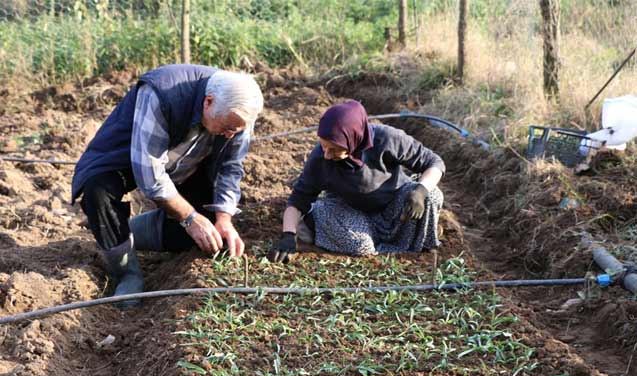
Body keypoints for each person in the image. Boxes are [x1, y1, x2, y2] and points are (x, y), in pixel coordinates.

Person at [72, 64, 263, 307]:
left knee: (207, 234)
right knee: (97, 192)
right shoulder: (163, 93)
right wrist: (190, 218)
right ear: (208, 102)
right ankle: (126, 272)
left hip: (187, 165)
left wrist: (223, 218)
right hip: (130, 158)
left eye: (234, 130)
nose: (229, 134)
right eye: (226, 128)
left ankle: (120, 232)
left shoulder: (237, 113)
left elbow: (230, 167)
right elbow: (150, 175)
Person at [268, 100, 445, 263]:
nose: (327, 155)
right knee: (360, 246)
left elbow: (434, 162)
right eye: (323, 146)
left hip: (392, 207)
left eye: (335, 149)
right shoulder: (320, 158)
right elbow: (298, 200)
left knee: (432, 195)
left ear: (353, 138)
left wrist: (421, 190)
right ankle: (317, 224)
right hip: (349, 212)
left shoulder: (386, 139)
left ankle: (405, 243)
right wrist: (288, 236)